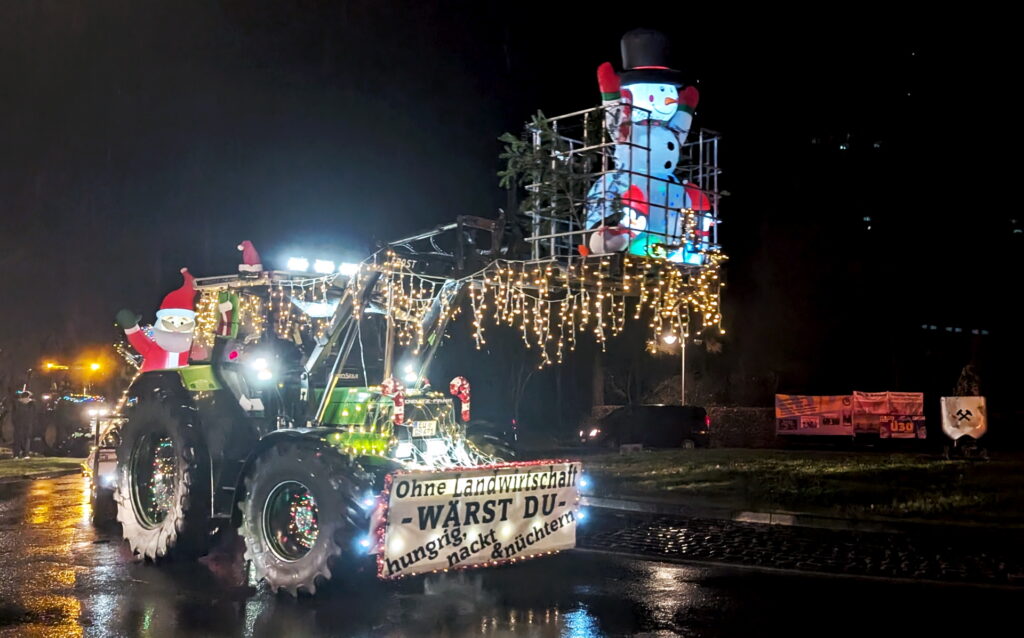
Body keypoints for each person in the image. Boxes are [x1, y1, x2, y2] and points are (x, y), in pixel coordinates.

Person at [12, 390, 36, 458]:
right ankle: (16, 454)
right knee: (18, 439)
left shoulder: (31, 405)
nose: (28, 399)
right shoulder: (18, 405)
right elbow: (14, 416)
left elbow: (33, 416)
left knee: (26, 440)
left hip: (27, 425)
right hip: (19, 425)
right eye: (27, 397)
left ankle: (25, 454)